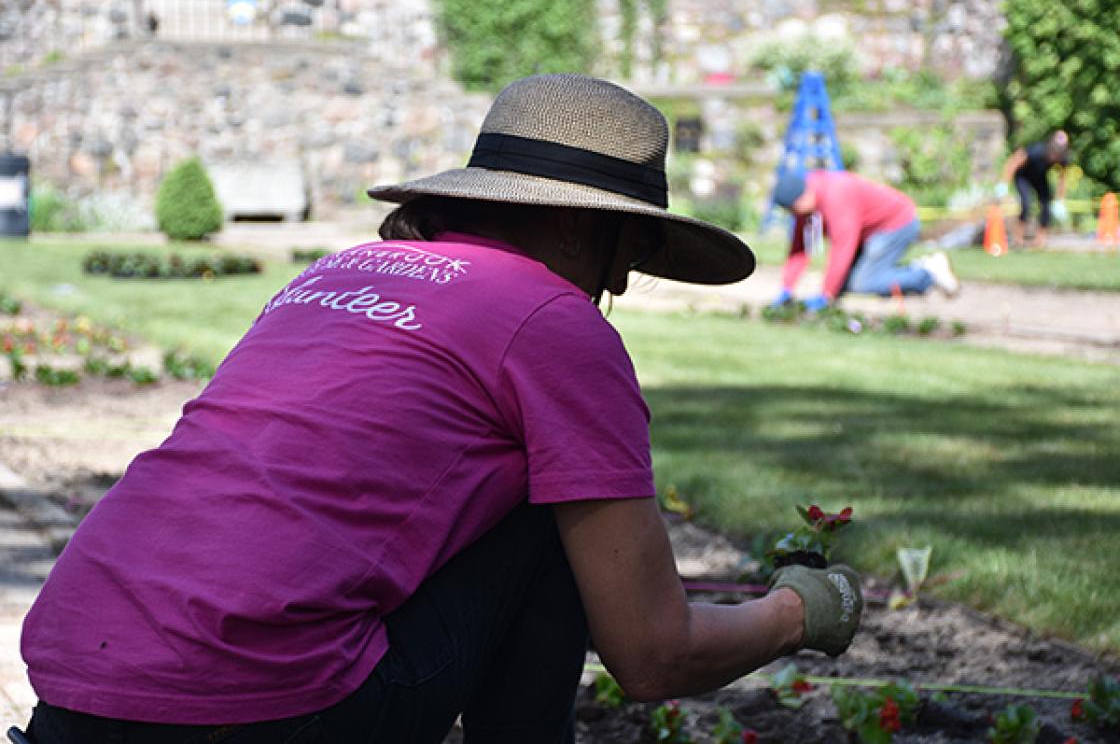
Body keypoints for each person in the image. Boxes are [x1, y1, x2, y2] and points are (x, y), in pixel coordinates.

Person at [18, 74, 863, 744]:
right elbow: (651, 653)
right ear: (577, 227)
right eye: (632, 245)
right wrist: (802, 611)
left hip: (74, 679)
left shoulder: (337, 270)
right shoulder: (555, 322)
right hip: (258, 708)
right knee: (552, 520)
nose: (622, 281)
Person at [769, 168, 960, 312]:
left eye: (793, 210)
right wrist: (786, 288)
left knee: (864, 283)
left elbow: (843, 247)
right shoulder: (807, 205)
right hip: (869, 233)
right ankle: (905, 271)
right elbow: (800, 249)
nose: (794, 216)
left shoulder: (836, 195)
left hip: (896, 224)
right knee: (845, 284)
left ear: (801, 199)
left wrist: (826, 295)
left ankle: (926, 273)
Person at [998, 130, 1070, 249]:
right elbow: (1014, 162)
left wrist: (1060, 200)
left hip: (1039, 177)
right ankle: (1018, 239)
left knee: (1047, 204)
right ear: (1050, 149)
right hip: (1023, 176)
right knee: (1026, 204)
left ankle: (1040, 240)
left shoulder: (1062, 158)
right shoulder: (1037, 150)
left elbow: (1062, 178)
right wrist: (1004, 183)